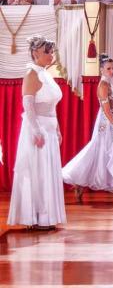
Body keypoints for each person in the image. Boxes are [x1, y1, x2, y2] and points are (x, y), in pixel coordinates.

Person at [7, 35, 65, 229]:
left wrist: (57, 129)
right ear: (35, 53)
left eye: (51, 51)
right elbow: (28, 106)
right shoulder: (31, 74)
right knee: (38, 173)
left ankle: (46, 217)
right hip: (37, 131)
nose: (51, 55)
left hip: (49, 128)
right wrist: (37, 132)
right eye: (47, 52)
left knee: (47, 172)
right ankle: (36, 217)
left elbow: (51, 105)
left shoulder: (46, 74)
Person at [62, 54, 113, 200]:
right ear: (101, 70)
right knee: (103, 151)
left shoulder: (109, 84)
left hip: (112, 120)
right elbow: (106, 109)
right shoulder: (103, 85)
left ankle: (106, 185)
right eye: (108, 69)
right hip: (106, 123)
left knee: (105, 153)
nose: (112, 71)